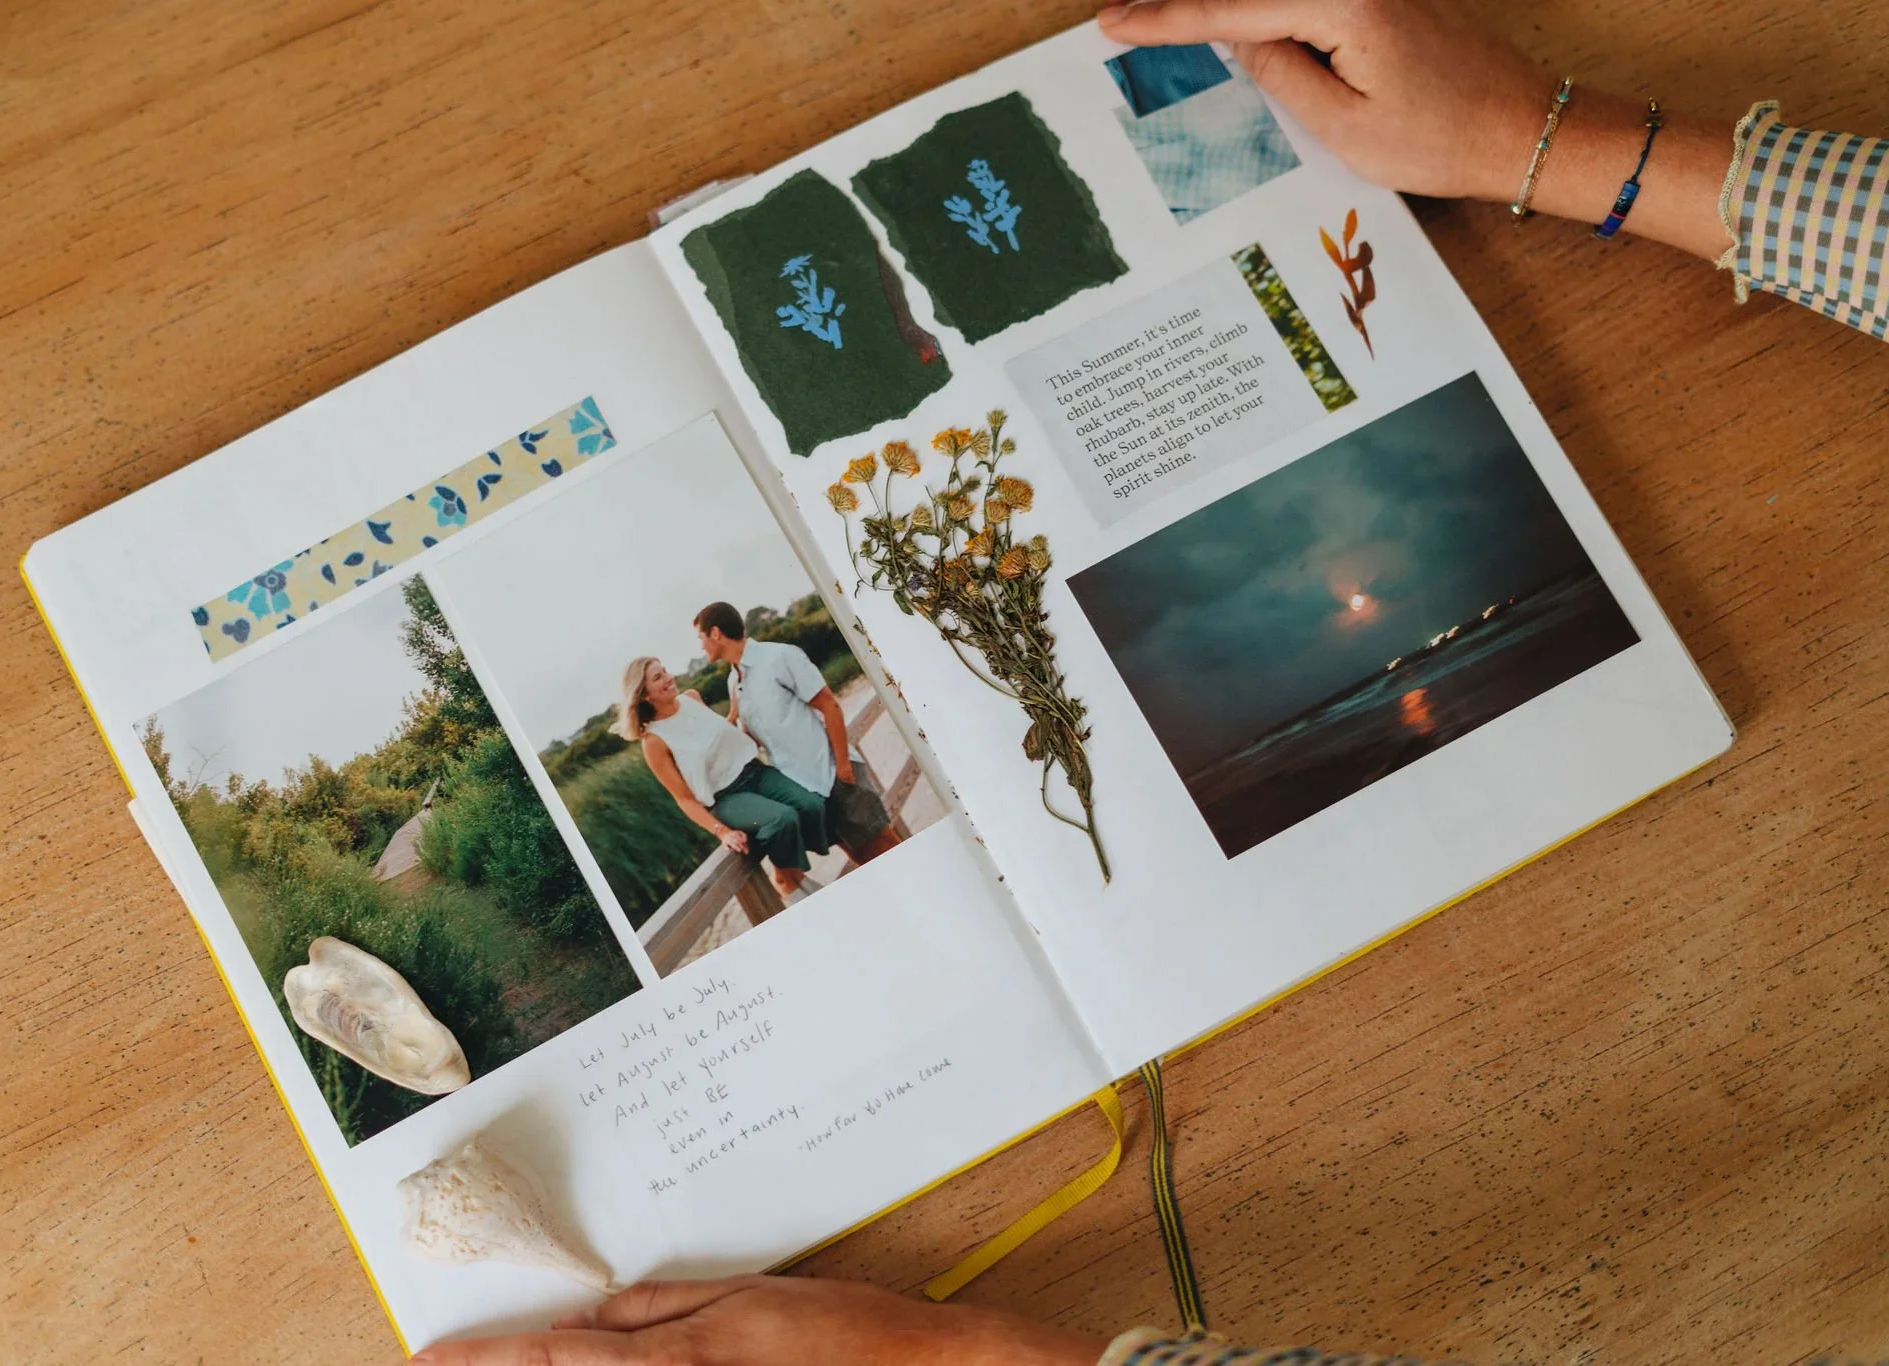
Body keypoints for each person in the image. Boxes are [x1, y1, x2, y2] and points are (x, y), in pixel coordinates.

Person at [414, 3, 1887, 1363]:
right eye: (680, 664)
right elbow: (687, 778)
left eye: (697, 652)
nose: (688, 666)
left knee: (868, 827)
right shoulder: (687, 715)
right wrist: (1544, 144)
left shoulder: (760, 670)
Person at [693, 601, 904, 867]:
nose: (701, 647)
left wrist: (843, 768)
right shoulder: (734, 683)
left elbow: (829, 705)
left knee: (890, 851)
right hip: (805, 791)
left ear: (715, 633)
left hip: (833, 775)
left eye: (700, 637)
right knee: (864, 861)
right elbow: (751, 743)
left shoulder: (779, 657)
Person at [616, 657, 830, 904]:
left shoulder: (692, 698)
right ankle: (788, 879)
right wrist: (722, 832)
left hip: (756, 772)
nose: (668, 677)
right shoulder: (653, 741)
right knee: (782, 819)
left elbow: (711, 740)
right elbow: (683, 798)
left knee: (811, 804)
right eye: (658, 677)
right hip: (726, 797)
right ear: (644, 695)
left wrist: (734, 713)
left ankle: (789, 874)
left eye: (664, 670)